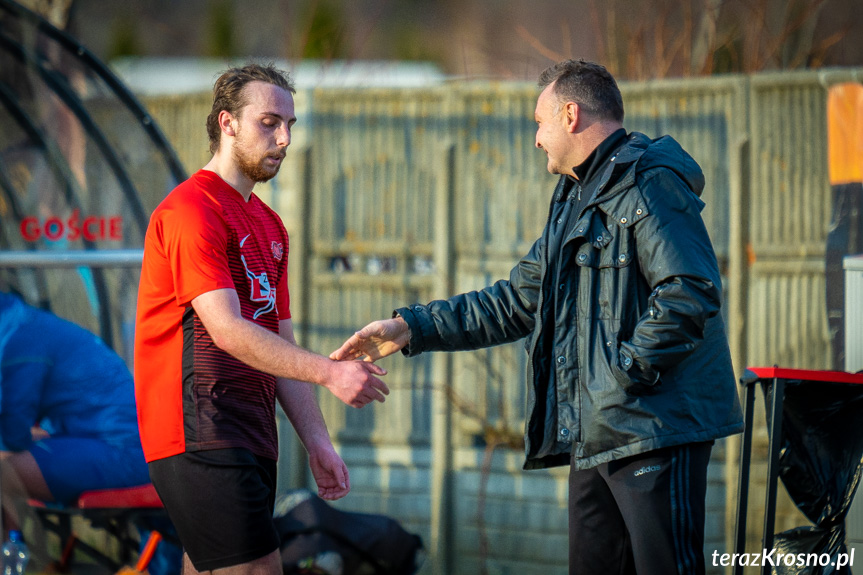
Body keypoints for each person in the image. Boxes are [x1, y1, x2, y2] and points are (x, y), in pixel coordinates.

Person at [330, 59, 744, 575]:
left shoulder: (649, 181)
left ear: (570, 114)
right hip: (595, 436)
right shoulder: (573, 197)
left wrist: (623, 376)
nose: (536, 139)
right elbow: (516, 301)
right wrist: (411, 326)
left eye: (539, 123)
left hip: (652, 429)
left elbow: (688, 291)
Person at [134, 63, 390, 575]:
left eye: (290, 124)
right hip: (197, 426)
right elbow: (226, 329)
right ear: (226, 123)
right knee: (258, 568)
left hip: (248, 430)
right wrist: (331, 371)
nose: (285, 138)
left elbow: (279, 341)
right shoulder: (192, 210)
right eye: (269, 122)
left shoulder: (269, 223)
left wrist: (317, 440)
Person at [0, 291, 150, 530]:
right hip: (102, 442)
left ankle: (10, 559)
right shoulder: (18, 322)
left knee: (3, 472)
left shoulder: (16, 332)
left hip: (123, 451)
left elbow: (12, 432)